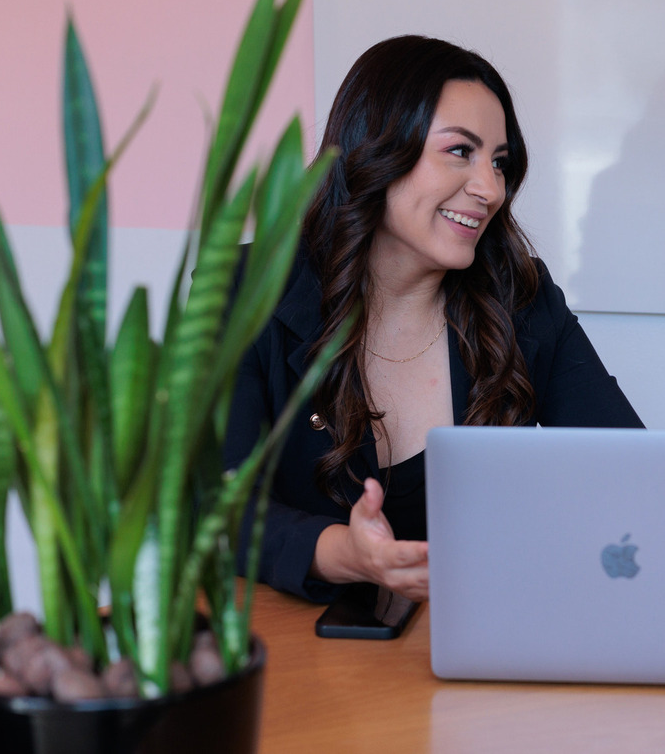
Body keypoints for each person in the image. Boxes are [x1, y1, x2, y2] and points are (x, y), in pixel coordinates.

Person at [226, 36, 643, 604]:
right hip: (298, 651)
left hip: (480, 638)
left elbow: (630, 472)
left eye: (500, 162)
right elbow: (215, 508)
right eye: (459, 152)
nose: (490, 189)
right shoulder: (248, 290)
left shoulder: (521, 295)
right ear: (376, 149)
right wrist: (343, 554)